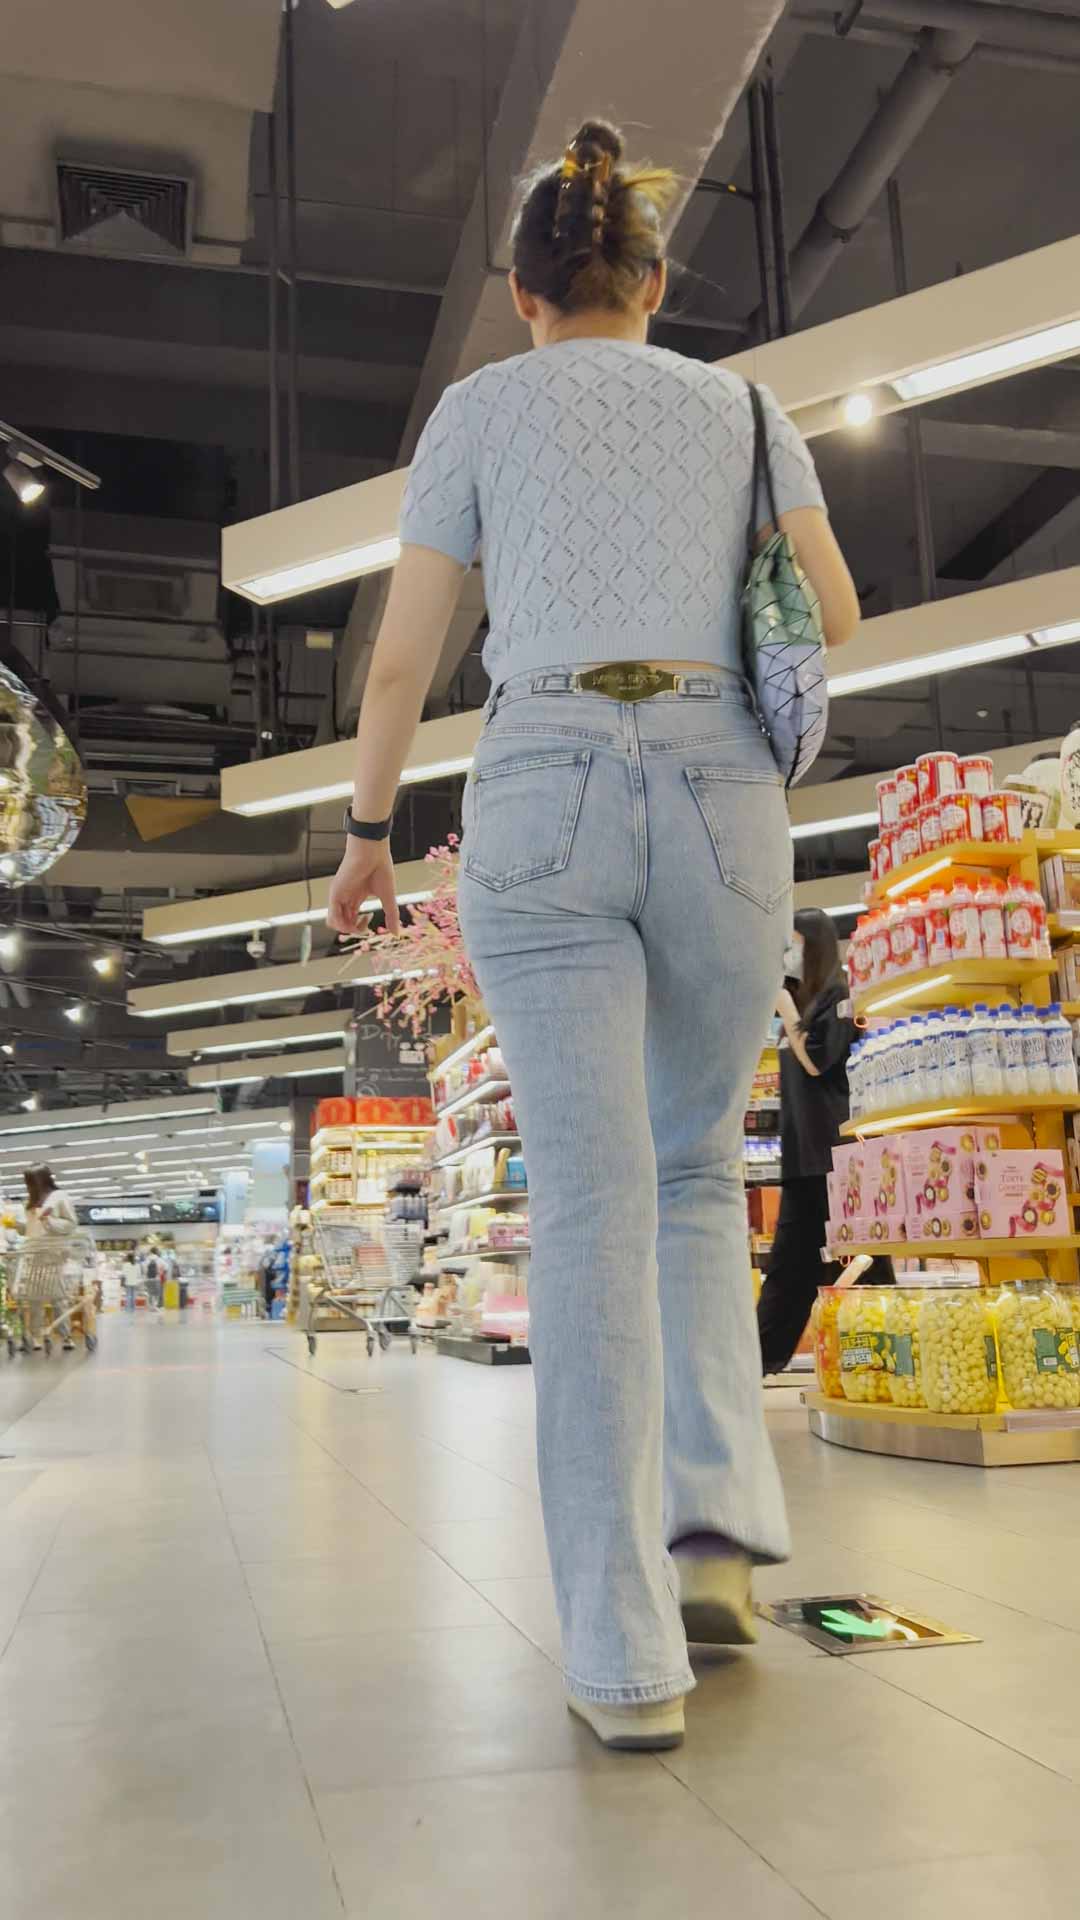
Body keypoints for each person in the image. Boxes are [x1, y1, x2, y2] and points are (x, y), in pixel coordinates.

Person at [327, 119, 859, 1751]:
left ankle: (625, 1662)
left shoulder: (479, 412)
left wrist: (366, 835)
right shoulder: (748, 410)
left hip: (545, 779)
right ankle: (717, 1548)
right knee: (696, 1174)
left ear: (522, 292)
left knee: (589, 1202)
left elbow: (407, 656)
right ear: (656, 278)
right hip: (722, 795)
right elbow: (834, 613)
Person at [756, 908, 893, 1375]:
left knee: (863, 1259)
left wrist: (787, 1011)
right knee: (790, 1269)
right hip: (803, 1158)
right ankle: (760, 1360)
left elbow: (816, 1062)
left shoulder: (838, 998)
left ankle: (889, 1352)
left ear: (812, 945)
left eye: (792, 944)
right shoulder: (801, 1004)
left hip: (838, 1158)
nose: (786, 954)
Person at [23, 1164, 79, 1350]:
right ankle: (36, 1336)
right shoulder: (30, 1201)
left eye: (31, 1181)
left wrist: (49, 1220)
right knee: (34, 1299)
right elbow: (31, 1229)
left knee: (58, 1297)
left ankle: (65, 1336)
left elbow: (71, 1224)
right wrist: (17, 1225)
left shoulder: (59, 1197)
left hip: (54, 1255)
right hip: (33, 1255)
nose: (29, 1185)